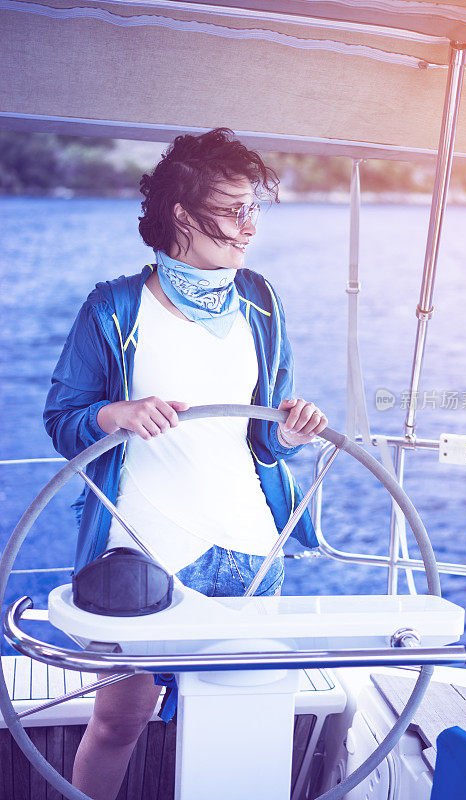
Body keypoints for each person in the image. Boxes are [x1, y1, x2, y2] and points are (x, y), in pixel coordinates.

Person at [43, 127, 327, 800]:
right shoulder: (113, 308)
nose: (250, 227)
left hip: (254, 549)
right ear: (180, 215)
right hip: (142, 549)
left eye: (254, 208)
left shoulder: (261, 300)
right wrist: (117, 415)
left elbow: (263, 441)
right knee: (118, 723)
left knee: (240, 723)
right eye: (234, 210)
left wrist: (292, 432)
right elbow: (63, 420)